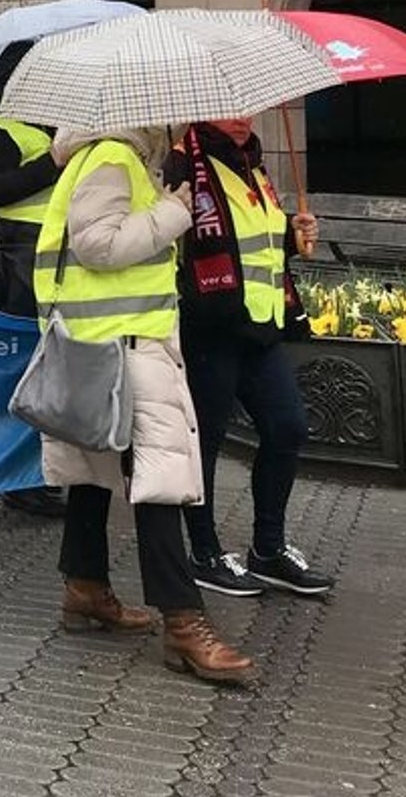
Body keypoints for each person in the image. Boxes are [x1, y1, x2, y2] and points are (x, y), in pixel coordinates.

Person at [35, 123, 255, 684]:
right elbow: (98, 244)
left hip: (103, 344)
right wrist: (174, 212)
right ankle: (184, 623)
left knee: (94, 467)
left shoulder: (108, 158)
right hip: (127, 344)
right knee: (159, 480)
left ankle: (85, 587)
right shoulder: (112, 155)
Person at [166, 120, 335, 598]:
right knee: (207, 443)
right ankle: (205, 553)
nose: (242, 117)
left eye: (247, 108)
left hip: (261, 325)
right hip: (209, 327)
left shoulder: (253, 166)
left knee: (288, 428)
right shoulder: (184, 162)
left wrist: (292, 236)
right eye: (228, 109)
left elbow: (255, 246)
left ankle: (268, 550)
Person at [0, 45, 68, 520]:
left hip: (62, 255)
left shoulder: (55, 122)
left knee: (55, 369)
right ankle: (20, 477)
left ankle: (46, 467)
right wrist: (55, 160)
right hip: (21, 260)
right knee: (27, 369)